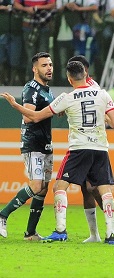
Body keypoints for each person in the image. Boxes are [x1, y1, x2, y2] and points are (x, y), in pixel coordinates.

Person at [1, 60, 114, 244]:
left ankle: (60, 231)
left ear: (69, 78)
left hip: (79, 149)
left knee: (59, 187)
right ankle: (111, 235)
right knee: (104, 190)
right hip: (100, 148)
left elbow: (34, 116)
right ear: (86, 74)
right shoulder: (103, 94)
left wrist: (14, 104)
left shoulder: (67, 98)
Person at [68, 55, 114, 243]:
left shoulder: (94, 88)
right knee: (86, 189)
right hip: (86, 142)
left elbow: (107, 115)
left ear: (86, 70)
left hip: (94, 143)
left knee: (95, 188)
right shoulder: (79, 86)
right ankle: (95, 234)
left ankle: (113, 226)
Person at [0, 52, 54, 240]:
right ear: (35, 69)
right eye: (44, 65)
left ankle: (30, 233)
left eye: (50, 65)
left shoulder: (48, 90)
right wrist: (51, 110)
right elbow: (28, 116)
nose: (49, 68)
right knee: (36, 185)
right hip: (33, 142)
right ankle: (2, 215)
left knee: (44, 188)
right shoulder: (32, 89)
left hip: (45, 143)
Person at [13, 0, 56, 81]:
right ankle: (32, 81)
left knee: (43, 56)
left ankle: (44, 80)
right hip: (28, 25)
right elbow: (16, 4)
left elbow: (53, 5)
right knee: (31, 56)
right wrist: (27, 9)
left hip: (44, 24)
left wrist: (37, 8)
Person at [0, 0, 23, 85]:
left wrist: (15, 7)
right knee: (1, 60)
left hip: (16, 31)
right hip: (1, 31)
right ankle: (2, 83)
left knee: (15, 61)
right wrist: (4, 8)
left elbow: (25, 7)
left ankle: (11, 83)